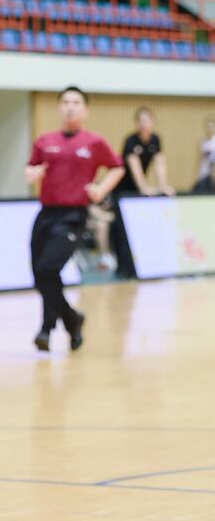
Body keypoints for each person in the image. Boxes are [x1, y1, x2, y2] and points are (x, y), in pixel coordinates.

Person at [25, 86, 124, 353]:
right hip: (45, 215)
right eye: (66, 102)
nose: (70, 106)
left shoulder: (94, 142)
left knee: (48, 269)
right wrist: (31, 173)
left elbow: (117, 167)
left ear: (85, 109)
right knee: (41, 276)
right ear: (59, 107)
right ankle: (71, 320)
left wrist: (101, 189)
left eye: (76, 102)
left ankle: (48, 327)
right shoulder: (44, 141)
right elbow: (31, 167)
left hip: (72, 217)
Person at [117, 107, 175, 197]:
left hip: (137, 189)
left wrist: (163, 186)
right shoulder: (130, 140)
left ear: (152, 122)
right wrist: (143, 187)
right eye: (140, 121)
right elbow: (134, 165)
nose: (143, 124)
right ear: (136, 123)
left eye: (146, 121)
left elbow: (159, 163)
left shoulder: (155, 139)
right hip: (122, 187)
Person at [196, 115, 215, 182]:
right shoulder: (202, 141)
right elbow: (200, 157)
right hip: (204, 170)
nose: (209, 129)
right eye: (207, 127)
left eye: (211, 126)